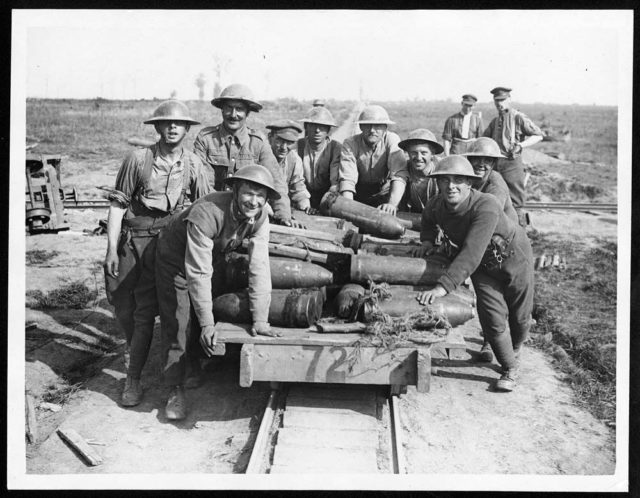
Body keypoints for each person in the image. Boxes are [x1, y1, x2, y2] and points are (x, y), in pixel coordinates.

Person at [102, 100, 211, 407]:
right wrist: (112, 249)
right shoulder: (138, 159)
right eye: (166, 123)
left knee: (175, 312)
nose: (172, 127)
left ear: (187, 129)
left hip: (170, 244)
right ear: (158, 127)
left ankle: (174, 388)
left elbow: (203, 210)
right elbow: (117, 205)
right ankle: (133, 376)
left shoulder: (193, 164)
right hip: (135, 240)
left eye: (178, 123)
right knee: (129, 310)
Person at [155, 165, 280, 420]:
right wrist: (208, 323)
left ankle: (195, 363)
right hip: (175, 261)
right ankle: (174, 388)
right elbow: (198, 274)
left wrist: (260, 320)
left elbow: (260, 266)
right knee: (179, 320)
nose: (253, 201)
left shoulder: (261, 215)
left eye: (260, 196)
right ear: (235, 190)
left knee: (210, 307)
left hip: (212, 257)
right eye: (248, 193)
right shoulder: (207, 213)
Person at [415, 155, 534, 392]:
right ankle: (509, 367)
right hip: (483, 267)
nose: (451, 186)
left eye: (458, 180)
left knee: (520, 317)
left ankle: (516, 347)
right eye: (445, 180)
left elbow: (471, 251)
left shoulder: (486, 205)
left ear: (470, 183)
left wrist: (442, 287)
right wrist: (427, 241)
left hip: (514, 257)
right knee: (491, 317)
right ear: (437, 183)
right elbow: (427, 220)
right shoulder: (436, 205)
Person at [192, 83, 295, 226]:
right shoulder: (206, 139)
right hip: (213, 211)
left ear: (247, 113)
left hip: (247, 212)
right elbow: (203, 185)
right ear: (222, 110)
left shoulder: (258, 142)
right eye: (229, 108)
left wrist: (283, 215)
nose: (233, 115)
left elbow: (276, 181)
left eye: (239, 109)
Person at [482, 87, 543, 226]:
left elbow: (538, 135)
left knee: (516, 200)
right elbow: (485, 140)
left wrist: (521, 145)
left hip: (512, 163)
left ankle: (521, 232)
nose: (499, 103)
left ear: (509, 99)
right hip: (496, 164)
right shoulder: (495, 121)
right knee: (496, 196)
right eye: (496, 101)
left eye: (502, 100)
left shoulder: (518, 117)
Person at [337, 104, 408, 215]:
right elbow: (347, 178)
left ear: (385, 128)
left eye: (378, 126)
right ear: (360, 127)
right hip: (358, 191)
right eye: (367, 125)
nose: (372, 130)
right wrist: (348, 207)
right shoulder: (351, 143)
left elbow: (399, 174)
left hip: (383, 192)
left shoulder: (392, 140)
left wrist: (392, 205)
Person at [464, 137, 519, 224]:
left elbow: (488, 217)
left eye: (487, 160)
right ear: (469, 160)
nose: (481, 164)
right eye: (477, 158)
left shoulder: (496, 186)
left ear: (493, 163)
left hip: (501, 230)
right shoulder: (464, 177)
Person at [297, 106, 342, 208]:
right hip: (303, 195)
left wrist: (327, 201)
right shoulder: (298, 147)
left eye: (322, 127)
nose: (317, 130)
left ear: (328, 129)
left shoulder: (336, 148)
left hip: (326, 197)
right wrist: (304, 202)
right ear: (306, 127)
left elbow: (335, 182)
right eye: (313, 126)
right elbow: (296, 180)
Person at [266, 119, 312, 212]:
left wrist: (306, 205)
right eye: (279, 140)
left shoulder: (294, 159)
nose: (284, 147)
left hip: (282, 206)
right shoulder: (261, 156)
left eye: (289, 142)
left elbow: (298, 188)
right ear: (270, 138)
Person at [397, 128, 443, 213]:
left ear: (432, 154)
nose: (418, 158)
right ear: (408, 153)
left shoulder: (441, 171)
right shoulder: (403, 170)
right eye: (414, 153)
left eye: (424, 153)